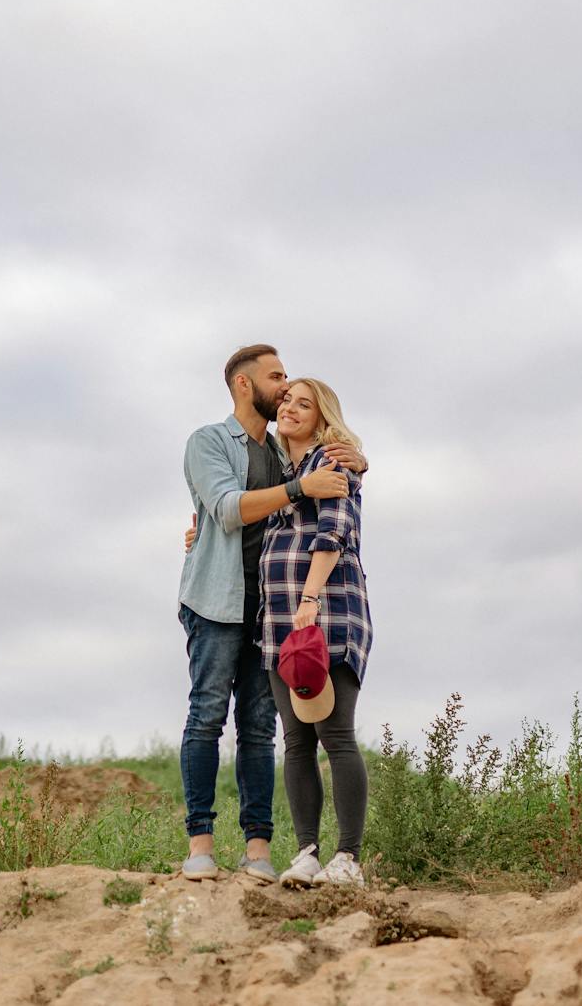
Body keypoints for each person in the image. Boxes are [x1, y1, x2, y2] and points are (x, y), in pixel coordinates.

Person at [177, 346, 366, 882]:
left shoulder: (289, 455)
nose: (284, 388)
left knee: (261, 731)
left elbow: (330, 488)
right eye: (276, 377)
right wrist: (299, 487)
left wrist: (356, 456)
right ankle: (201, 846)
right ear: (243, 384)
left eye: (290, 382)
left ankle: (259, 851)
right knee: (207, 717)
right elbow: (227, 508)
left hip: (271, 614)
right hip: (216, 602)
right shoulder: (209, 442)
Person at [262, 379, 372, 887]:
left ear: (322, 417)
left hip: (325, 613)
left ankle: (348, 858)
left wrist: (309, 599)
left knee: (335, 734)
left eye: (303, 403)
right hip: (279, 622)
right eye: (286, 399)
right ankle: (307, 853)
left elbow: (335, 530)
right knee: (296, 740)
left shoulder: (333, 461)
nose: (290, 407)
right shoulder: (278, 472)